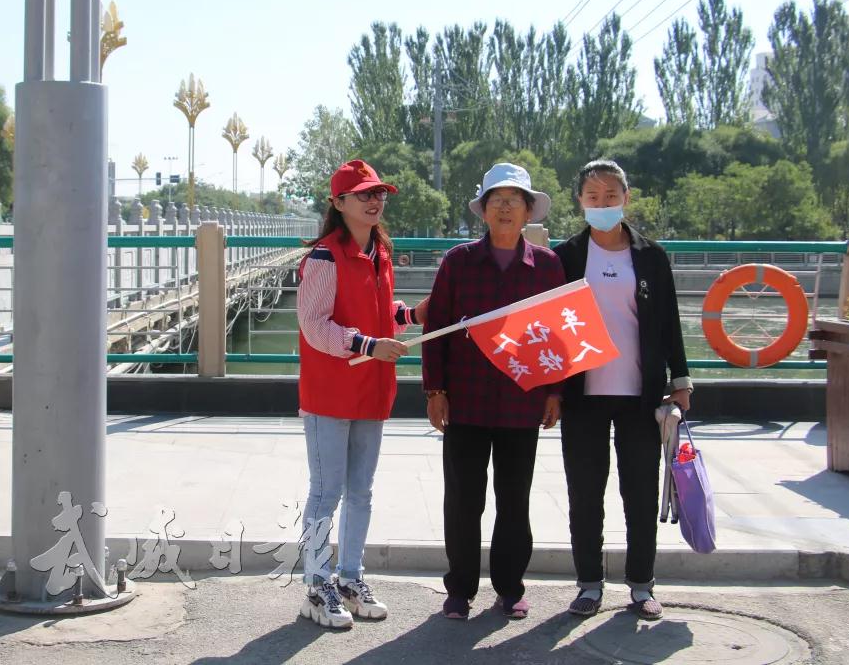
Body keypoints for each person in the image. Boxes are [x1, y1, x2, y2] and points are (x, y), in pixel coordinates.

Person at [422, 163, 565, 620]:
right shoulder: (458, 262)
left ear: (528, 212)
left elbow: (556, 334)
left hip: (522, 401)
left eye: (514, 201)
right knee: (464, 500)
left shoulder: (547, 266)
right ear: (483, 211)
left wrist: (554, 391)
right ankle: (460, 589)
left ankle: (510, 587)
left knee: (514, 500)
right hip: (465, 400)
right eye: (497, 201)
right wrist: (434, 391)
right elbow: (437, 328)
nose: (505, 209)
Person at [551, 159, 692, 621]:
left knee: (640, 492)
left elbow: (669, 323)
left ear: (626, 198)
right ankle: (589, 585)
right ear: (580, 201)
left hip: (641, 395)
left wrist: (680, 381)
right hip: (582, 394)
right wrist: (551, 390)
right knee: (585, 494)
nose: (603, 203)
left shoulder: (651, 256)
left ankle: (641, 585)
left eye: (611, 195)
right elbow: (548, 326)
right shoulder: (566, 256)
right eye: (593, 196)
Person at [296, 159, 427, 629]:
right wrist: (369, 345)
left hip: (372, 390)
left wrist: (411, 316)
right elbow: (314, 326)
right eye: (364, 194)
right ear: (338, 203)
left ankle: (350, 578)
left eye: (379, 194)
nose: (375, 201)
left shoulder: (380, 252)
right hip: (330, 394)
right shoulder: (325, 257)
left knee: (361, 492)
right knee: (326, 492)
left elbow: (377, 311)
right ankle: (317, 585)